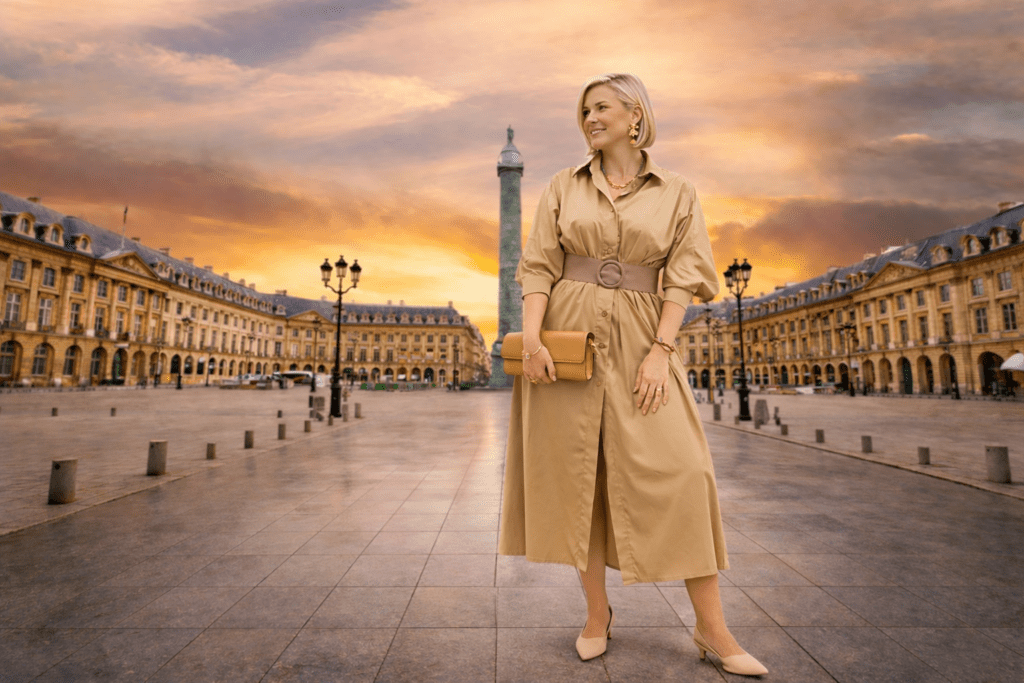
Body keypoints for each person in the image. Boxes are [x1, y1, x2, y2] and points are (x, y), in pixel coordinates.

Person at [498, 73, 768, 677]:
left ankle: (713, 629)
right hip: (570, 339)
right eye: (584, 111)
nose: (590, 118)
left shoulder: (677, 191)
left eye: (601, 108)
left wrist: (661, 350)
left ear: (635, 115)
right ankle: (597, 615)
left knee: (685, 472)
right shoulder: (562, 186)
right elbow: (538, 266)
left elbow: (686, 272)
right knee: (578, 478)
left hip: (646, 336)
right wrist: (535, 340)